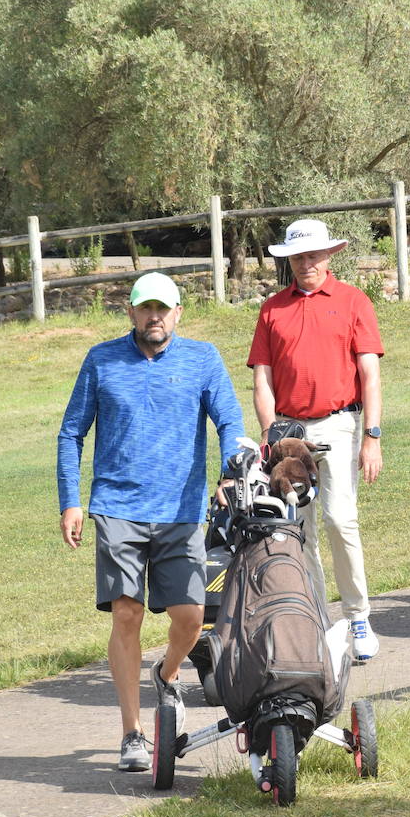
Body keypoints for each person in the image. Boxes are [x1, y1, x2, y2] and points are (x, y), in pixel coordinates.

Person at [57, 271, 246, 772]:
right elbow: (71, 433)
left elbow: (229, 420)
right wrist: (70, 501)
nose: (154, 317)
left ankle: (167, 674)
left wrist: (231, 470)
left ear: (179, 313)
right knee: (127, 614)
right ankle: (133, 733)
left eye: (164, 308)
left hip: (180, 510)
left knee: (188, 618)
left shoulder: (202, 358)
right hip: (117, 507)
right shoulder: (102, 360)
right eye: (146, 308)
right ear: (132, 312)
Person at [248, 218, 386, 661]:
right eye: (299, 257)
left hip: (340, 424)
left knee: (340, 519)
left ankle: (358, 615)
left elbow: (370, 374)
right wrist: (271, 437)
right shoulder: (272, 309)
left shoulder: (352, 301)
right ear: (288, 260)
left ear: (329, 255)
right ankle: (316, 618)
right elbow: (263, 381)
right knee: (296, 528)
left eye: (314, 255)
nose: (307, 263)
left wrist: (373, 436)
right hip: (290, 433)